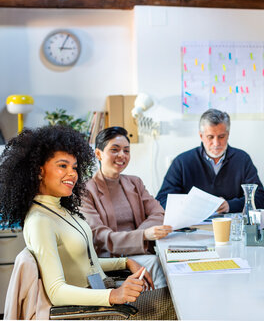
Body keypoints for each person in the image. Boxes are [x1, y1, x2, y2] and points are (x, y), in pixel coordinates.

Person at [0, 125, 157, 312]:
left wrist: (125, 262)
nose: (72, 174)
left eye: (74, 167)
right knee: (174, 304)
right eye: (62, 166)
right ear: (39, 170)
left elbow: (86, 263)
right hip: (93, 311)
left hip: (103, 299)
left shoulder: (61, 209)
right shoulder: (40, 221)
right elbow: (56, 291)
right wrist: (114, 295)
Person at [81, 127, 172, 289]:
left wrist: (138, 236)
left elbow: (158, 212)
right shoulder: (86, 191)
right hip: (111, 260)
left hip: (139, 253)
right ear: (98, 154)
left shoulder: (134, 182)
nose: (122, 155)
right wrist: (142, 235)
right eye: (115, 150)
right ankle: (161, 310)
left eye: (126, 150)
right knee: (156, 265)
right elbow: (100, 237)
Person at [156, 108, 264, 213]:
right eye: (210, 137)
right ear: (201, 136)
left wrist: (230, 205)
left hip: (231, 225)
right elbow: (162, 201)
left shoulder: (242, 159)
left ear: (228, 135)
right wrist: (191, 206)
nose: (216, 143)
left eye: (221, 136)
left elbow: (260, 198)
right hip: (193, 226)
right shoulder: (182, 162)